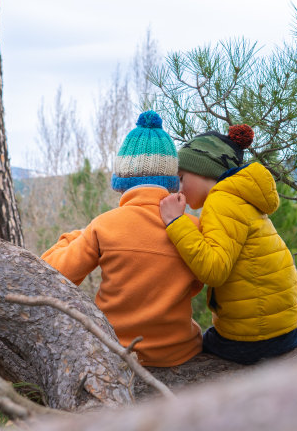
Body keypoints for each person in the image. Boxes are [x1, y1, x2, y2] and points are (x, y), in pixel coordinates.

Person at [42, 110, 202, 367]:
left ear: (121, 179)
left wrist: (74, 236)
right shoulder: (192, 227)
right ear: (172, 181)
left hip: (115, 350)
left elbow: (52, 273)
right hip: (179, 352)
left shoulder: (104, 226)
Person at [159, 124, 297, 365]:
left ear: (206, 171)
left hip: (256, 338)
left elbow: (214, 270)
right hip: (285, 330)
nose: (179, 187)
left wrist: (176, 222)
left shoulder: (221, 201)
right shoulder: (239, 197)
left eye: (182, 178)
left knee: (186, 350)